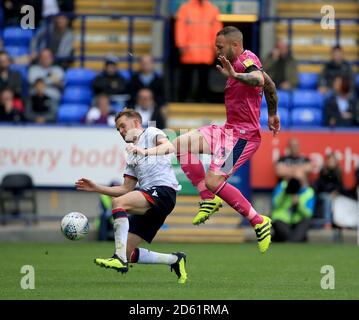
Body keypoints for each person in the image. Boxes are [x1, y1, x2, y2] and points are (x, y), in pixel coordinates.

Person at [172, 26, 280, 253]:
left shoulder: (247, 60)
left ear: (235, 45)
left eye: (220, 47)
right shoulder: (242, 63)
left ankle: (258, 221)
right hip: (227, 131)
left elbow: (258, 78)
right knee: (180, 144)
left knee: (214, 180)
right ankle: (208, 199)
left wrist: (235, 75)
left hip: (244, 138)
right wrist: (272, 113)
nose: (217, 50)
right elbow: (269, 84)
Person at [75, 109, 187, 284]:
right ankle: (175, 260)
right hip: (151, 197)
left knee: (118, 204)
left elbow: (169, 147)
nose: (120, 131)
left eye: (122, 126)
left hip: (164, 191)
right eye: (117, 129)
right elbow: (126, 189)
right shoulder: (130, 154)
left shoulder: (151, 132)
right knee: (128, 251)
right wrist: (96, 187)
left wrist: (144, 152)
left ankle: (118, 259)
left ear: (136, 123)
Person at [174, 0, 223, 102]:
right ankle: (183, 99)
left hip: (205, 52)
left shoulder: (213, 9)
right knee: (186, 78)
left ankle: (201, 100)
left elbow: (216, 30)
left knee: (203, 79)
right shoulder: (185, 8)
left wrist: (216, 47)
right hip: (189, 51)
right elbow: (180, 27)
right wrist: (181, 44)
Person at [271, 177, 315, 242]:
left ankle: (287, 239)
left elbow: (309, 213)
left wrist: (298, 204)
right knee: (290, 235)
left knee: (306, 221)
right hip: (281, 219)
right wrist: (284, 193)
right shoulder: (282, 186)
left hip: (297, 221)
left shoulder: (308, 192)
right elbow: (275, 203)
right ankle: (295, 239)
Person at [313, 152, 343, 229]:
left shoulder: (338, 172)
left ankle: (341, 224)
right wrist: (330, 193)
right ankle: (327, 222)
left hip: (334, 195)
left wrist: (336, 192)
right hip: (323, 194)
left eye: (333, 161)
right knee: (327, 198)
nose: (331, 163)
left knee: (340, 200)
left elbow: (340, 186)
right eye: (330, 160)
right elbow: (321, 186)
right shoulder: (323, 172)